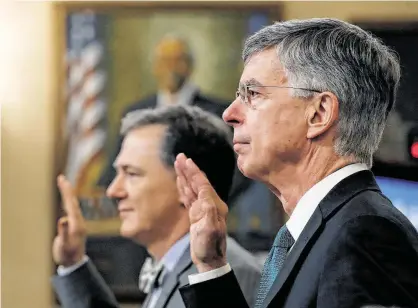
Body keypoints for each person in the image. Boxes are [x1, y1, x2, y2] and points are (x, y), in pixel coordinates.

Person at [174, 18, 418, 308]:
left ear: (319, 113)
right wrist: (212, 267)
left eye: (252, 94)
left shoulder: (364, 233)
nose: (229, 113)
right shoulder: (329, 229)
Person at [51, 105, 261, 308]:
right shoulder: (176, 266)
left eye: (131, 174)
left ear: (188, 184)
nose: (113, 191)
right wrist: (73, 263)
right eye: (118, 174)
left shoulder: (225, 274)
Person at [97, 35, 228, 189]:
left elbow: (234, 171)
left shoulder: (217, 113)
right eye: (164, 61)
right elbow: (115, 168)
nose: (170, 67)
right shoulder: (135, 112)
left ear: (190, 66)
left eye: (177, 60)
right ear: (155, 67)